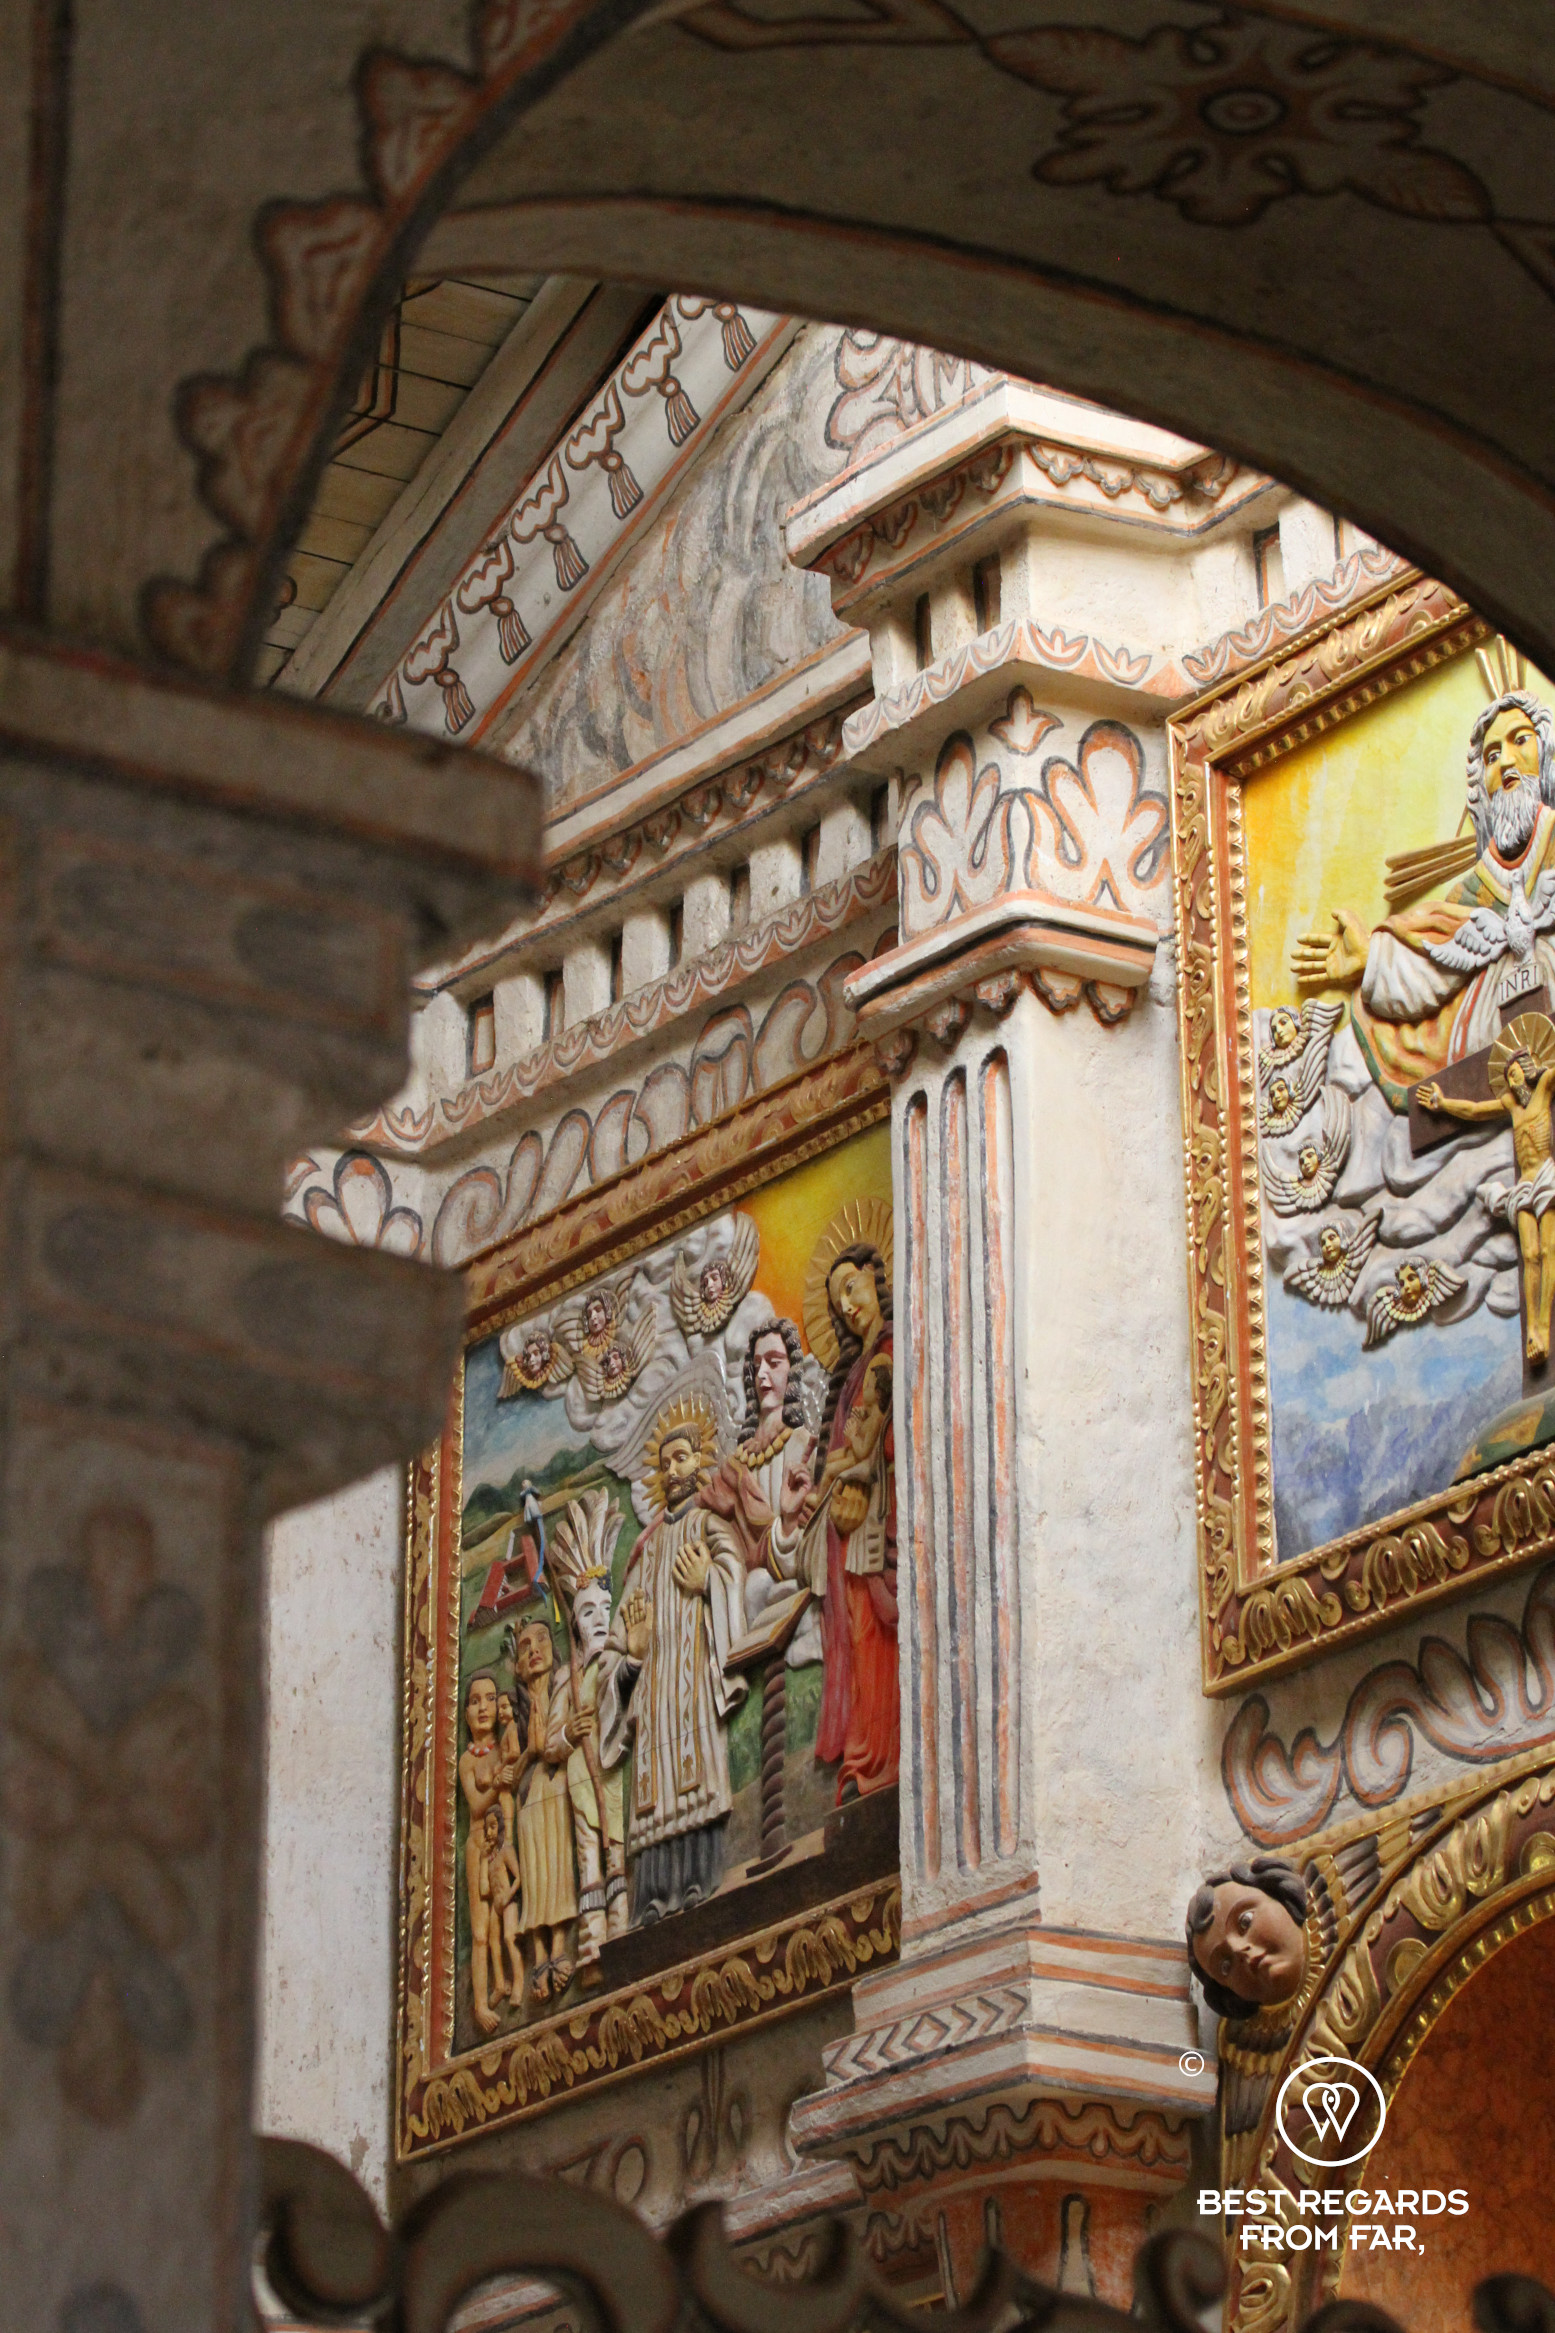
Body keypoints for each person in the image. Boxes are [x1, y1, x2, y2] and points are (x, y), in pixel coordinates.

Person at [1291, 691, 1555, 1093]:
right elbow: (1435, 961)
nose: (1505, 761)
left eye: (1521, 740)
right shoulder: (1476, 889)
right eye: (1491, 755)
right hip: (1496, 1064)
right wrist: (1372, 960)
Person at [598, 1403, 747, 1922]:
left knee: (694, 1778)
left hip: (693, 1688)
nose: (671, 1471)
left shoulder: (707, 1526)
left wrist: (710, 1579)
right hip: (655, 1695)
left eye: (681, 1458)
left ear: (700, 1463)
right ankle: (653, 1900)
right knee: (653, 1792)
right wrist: (631, 1659)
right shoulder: (649, 1549)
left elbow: (733, 1577)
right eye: (664, 1463)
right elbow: (617, 1642)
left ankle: (700, 1883)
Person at [800, 1244, 898, 1803]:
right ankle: (866, 1754)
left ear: (872, 1280)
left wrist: (838, 1467)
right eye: (838, 1301)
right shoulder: (863, 1367)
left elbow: (860, 1447)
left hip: (871, 1513)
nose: (847, 1305)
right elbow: (849, 1446)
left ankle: (879, 1756)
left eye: (852, 1289)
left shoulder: (883, 1359)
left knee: (871, 1630)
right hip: (851, 1518)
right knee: (860, 1633)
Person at [699, 1319, 820, 1659]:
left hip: (791, 1579)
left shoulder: (802, 1445)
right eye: (756, 1366)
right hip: (744, 1591)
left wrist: (788, 1520)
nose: (762, 1374)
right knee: (753, 1586)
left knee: (760, 1586)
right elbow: (707, 1514)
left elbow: (813, 1530)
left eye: (774, 1362)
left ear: (792, 1370)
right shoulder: (738, 1462)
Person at [546, 1570, 628, 1977]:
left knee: (617, 1858)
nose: (598, 1619)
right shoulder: (567, 1679)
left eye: (605, 1610)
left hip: (612, 1775)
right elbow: (549, 1743)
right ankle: (593, 1948)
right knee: (589, 1868)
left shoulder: (616, 1660)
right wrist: (567, 1732)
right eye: (587, 1612)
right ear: (575, 1624)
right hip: (581, 1783)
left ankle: (623, 1932)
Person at [509, 1620, 577, 2003]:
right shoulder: (516, 1710)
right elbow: (512, 1767)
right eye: (524, 1646)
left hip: (559, 1786)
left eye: (540, 1640)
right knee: (535, 1874)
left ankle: (559, 1950)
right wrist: (529, 1754)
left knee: (559, 1864)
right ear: (518, 1664)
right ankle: (539, 1954)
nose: (533, 1649)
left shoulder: (565, 1689)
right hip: (529, 1796)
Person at [458, 1670, 520, 2034]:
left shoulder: (505, 1745)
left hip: (506, 1842)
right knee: (481, 1931)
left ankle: (506, 1981)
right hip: (479, 1846)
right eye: (475, 1700)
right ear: (465, 1713)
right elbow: (478, 1805)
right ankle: (479, 2005)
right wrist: (499, 1782)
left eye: (490, 1699)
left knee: (504, 1918)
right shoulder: (468, 1761)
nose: (484, 1707)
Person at [1185, 1857, 1309, 2017]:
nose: (1239, 1950)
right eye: (1225, 1966)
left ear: (1279, 1894)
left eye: (1246, 1921)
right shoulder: (1249, 2040)